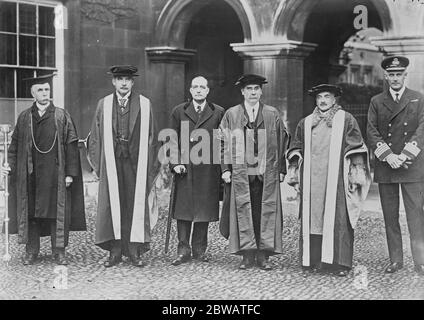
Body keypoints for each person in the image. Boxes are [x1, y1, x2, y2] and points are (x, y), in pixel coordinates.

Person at [0, 74, 86, 265]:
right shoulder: (24, 118)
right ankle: (31, 251)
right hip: (30, 175)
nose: (45, 93)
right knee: (31, 214)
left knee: (57, 213)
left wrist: (70, 174)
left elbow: (72, 145)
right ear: (33, 94)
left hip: (55, 174)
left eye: (47, 89)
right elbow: (14, 146)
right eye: (40, 90)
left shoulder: (62, 116)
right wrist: (8, 164)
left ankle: (59, 251)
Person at [287, 84, 371, 277]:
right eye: (319, 97)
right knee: (313, 219)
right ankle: (313, 259)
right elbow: (295, 147)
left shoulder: (346, 120)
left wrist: (354, 176)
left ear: (335, 99)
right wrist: (296, 173)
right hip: (312, 180)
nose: (323, 100)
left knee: (338, 218)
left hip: (337, 180)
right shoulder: (306, 122)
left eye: (327, 96)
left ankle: (339, 263)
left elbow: (356, 147)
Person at [87, 65, 159, 268]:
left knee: (132, 204)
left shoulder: (145, 104)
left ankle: (134, 250)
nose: (124, 83)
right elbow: (95, 135)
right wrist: (98, 165)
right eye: (120, 79)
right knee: (113, 205)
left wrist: (150, 167)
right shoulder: (104, 104)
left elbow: (153, 137)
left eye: (127, 79)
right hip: (111, 161)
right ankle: (115, 250)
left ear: (133, 82)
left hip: (136, 162)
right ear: (113, 82)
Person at [218, 74, 289, 270]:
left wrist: (281, 169)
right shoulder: (232, 115)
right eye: (249, 89)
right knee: (243, 210)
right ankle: (247, 255)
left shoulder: (272, 113)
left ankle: (263, 254)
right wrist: (225, 169)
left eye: (256, 89)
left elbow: (282, 142)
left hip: (267, 172)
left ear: (261, 91)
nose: (253, 92)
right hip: (241, 172)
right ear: (242, 91)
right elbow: (222, 143)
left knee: (263, 210)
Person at [367, 56, 424, 275]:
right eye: (391, 75)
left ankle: (420, 261)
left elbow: (422, 129)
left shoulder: (417, 98)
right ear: (386, 76)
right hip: (387, 166)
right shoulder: (376, 101)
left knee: (416, 215)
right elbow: (371, 131)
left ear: (405, 75)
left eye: (398, 74)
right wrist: (388, 155)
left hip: (412, 166)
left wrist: (406, 154)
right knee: (390, 216)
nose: (395, 79)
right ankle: (395, 260)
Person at [168, 76, 225, 266]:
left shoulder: (218, 113)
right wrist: (175, 163)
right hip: (185, 169)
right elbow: (171, 139)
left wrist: (222, 168)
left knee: (203, 210)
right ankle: (183, 250)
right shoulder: (179, 111)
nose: (199, 90)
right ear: (190, 90)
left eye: (202, 87)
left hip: (208, 170)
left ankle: (200, 250)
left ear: (208, 91)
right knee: (183, 210)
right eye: (195, 87)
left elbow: (222, 142)